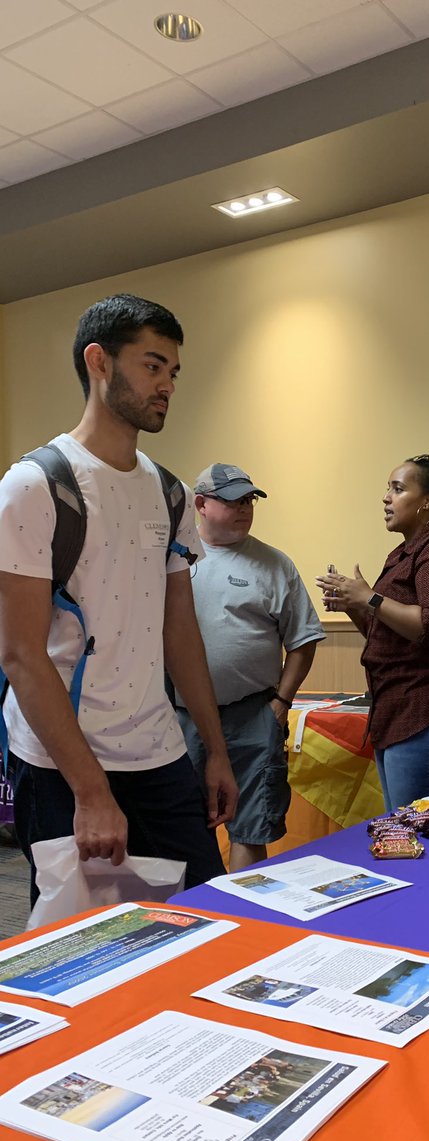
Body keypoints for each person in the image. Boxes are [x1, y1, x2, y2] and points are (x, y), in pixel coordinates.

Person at [0, 293, 238, 903]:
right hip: (61, 763)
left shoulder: (170, 492)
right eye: (152, 366)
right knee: (80, 953)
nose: (168, 386)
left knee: (201, 923)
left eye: (174, 372)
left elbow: (180, 631)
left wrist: (213, 749)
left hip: (157, 752)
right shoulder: (34, 486)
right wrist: (91, 792)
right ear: (99, 362)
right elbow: (22, 654)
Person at [315, 455, 429, 812]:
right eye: (388, 489)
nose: (386, 498)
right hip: (399, 707)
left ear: (428, 502)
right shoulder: (403, 554)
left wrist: (370, 597)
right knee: (402, 829)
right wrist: (354, 605)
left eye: (398, 488)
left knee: (420, 831)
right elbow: (388, 635)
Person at [175, 463, 324, 872]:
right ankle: (199, 917)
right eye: (233, 501)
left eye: (249, 501)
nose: (245, 509)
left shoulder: (274, 565)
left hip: (251, 715)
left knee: (251, 826)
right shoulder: (172, 559)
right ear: (201, 504)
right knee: (183, 826)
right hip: (179, 716)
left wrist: (281, 702)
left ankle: (246, 925)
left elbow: (303, 640)